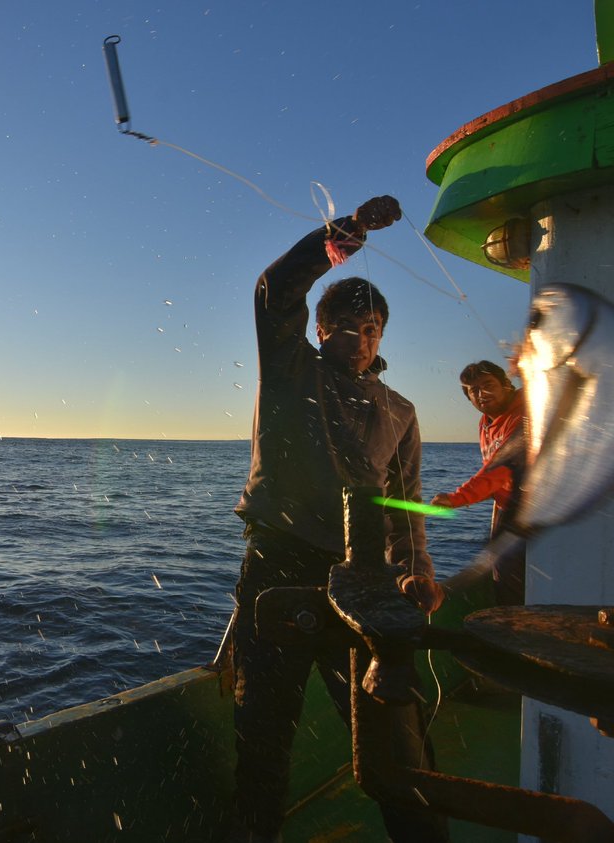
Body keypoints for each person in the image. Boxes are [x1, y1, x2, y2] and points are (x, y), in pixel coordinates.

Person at [229, 196, 449, 842]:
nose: (363, 336)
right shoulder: (291, 367)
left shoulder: (401, 411)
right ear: (321, 328)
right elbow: (274, 289)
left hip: (363, 582)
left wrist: (416, 575)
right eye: (349, 325)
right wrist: (344, 235)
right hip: (277, 568)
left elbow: (406, 511)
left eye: (375, 326)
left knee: (394, 742)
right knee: (262, 738)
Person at [430, 361, 526, 604]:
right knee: (499, 571)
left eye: (488, 385)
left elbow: (502, 466)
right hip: (506, 508)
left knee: (513, 578)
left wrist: (458, 498)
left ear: (506, 385)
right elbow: (493, 471)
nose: (481, 394)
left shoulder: (527, 414)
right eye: (473, 391)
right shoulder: (485, 423)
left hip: (534, 509)